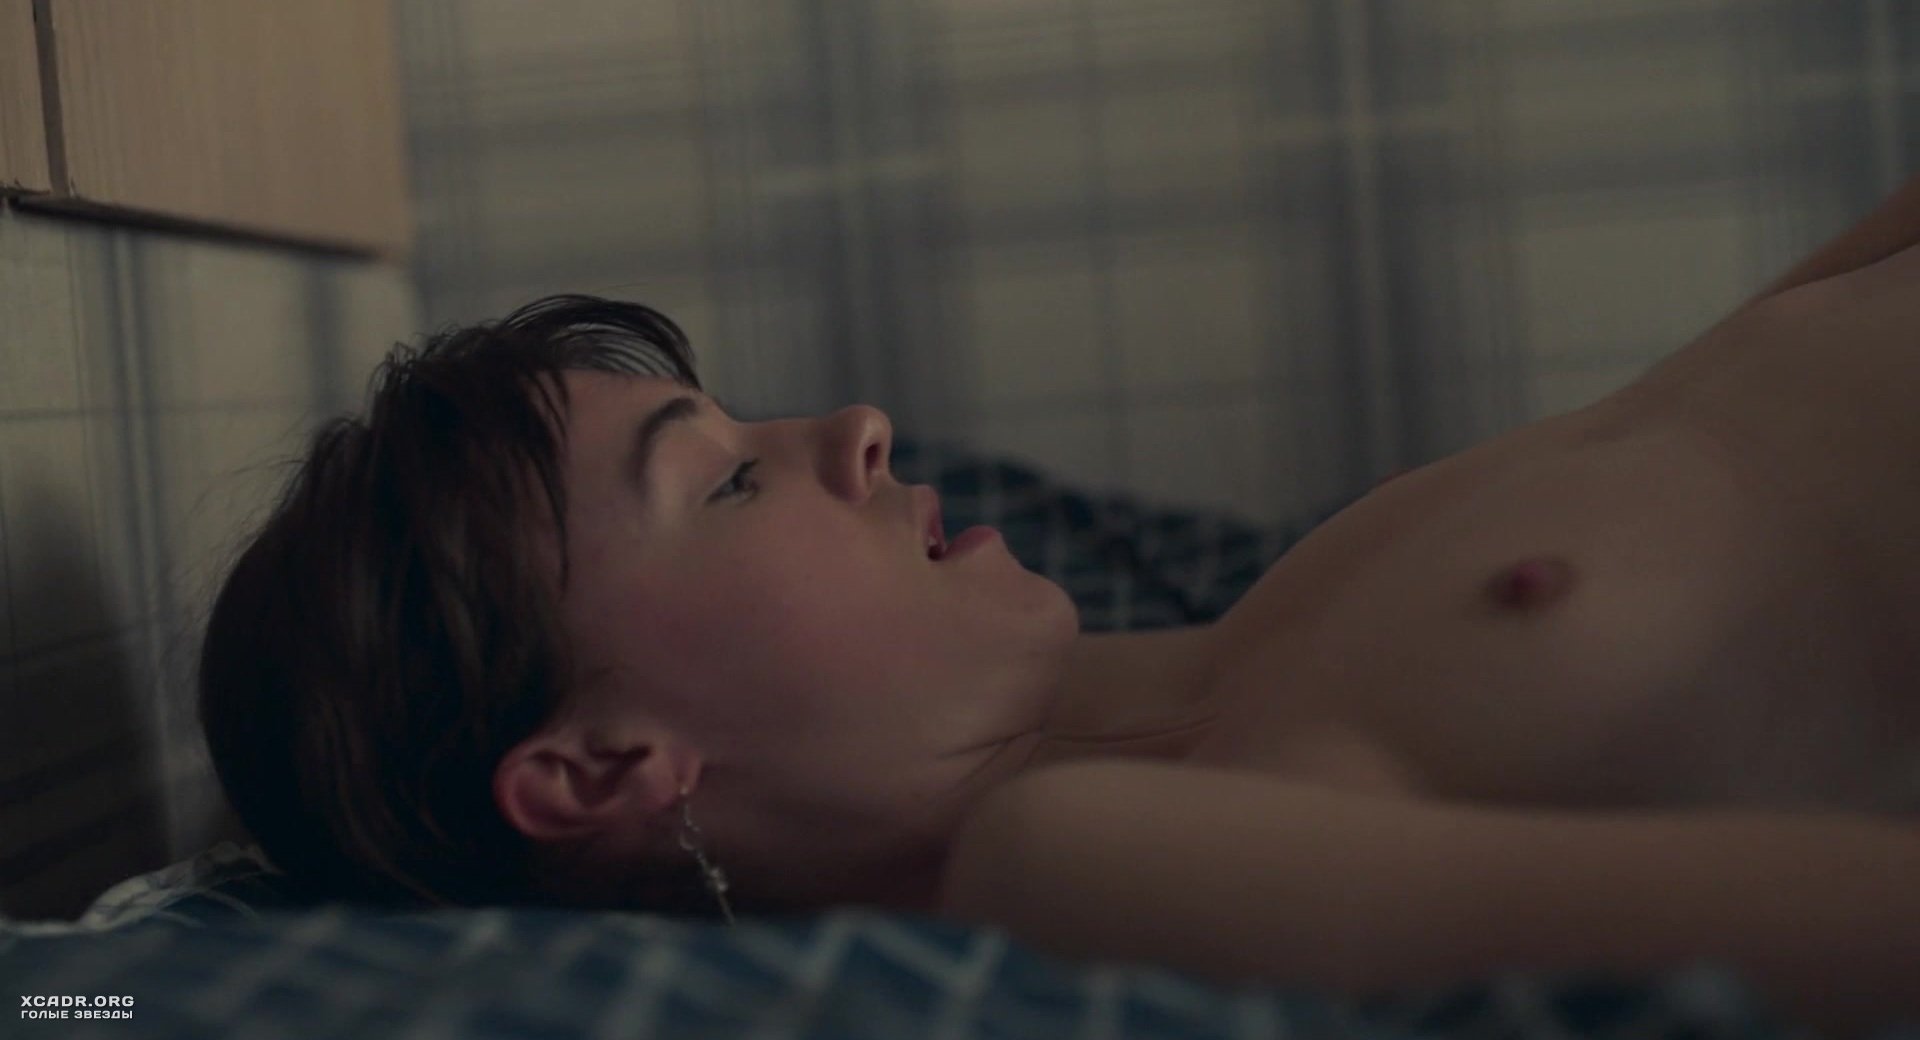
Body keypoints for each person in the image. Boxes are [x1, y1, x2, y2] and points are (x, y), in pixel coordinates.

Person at [198, 171, 1920, 1037]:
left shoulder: (1234, 650)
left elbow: (1738, 370)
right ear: (603, 768)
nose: (858, 429)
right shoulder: (1075, 855)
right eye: (722, 482)